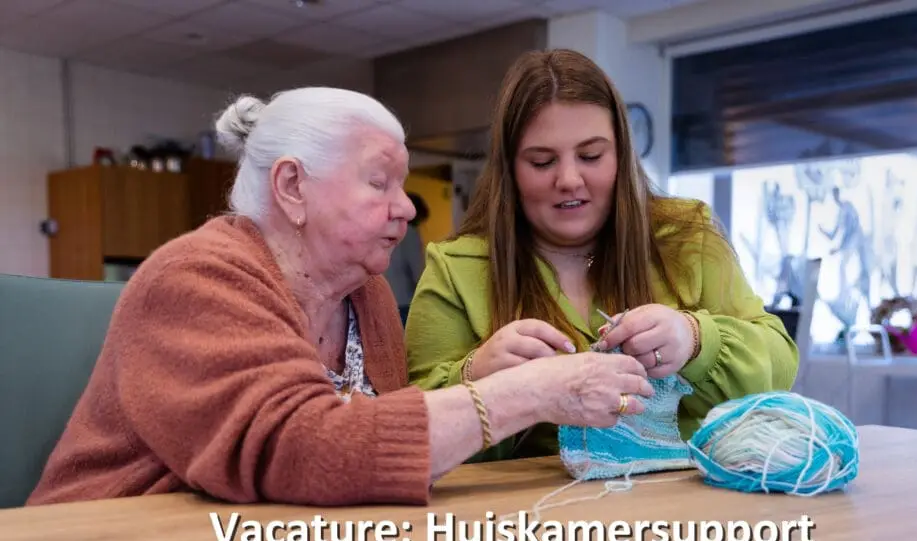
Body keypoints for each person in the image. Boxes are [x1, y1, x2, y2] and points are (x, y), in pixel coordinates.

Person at [26, 87, 657, 508]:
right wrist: (532, 393)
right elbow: (304, 450)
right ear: (292, 186)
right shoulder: (194, 279)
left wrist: (475, 379)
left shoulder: (365, 292)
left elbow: (373, 452)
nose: (406, 208)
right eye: (380, 182)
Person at [404, 49, 799, 463]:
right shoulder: (457, 270)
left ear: (622, 155)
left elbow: (779, 367)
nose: (569, 179)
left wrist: (696, 339)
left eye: (591, 156)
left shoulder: (685, 237)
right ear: (510, 170)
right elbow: (412, 436)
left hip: (686, 499)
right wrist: (477, 376)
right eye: (542, 162)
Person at [384, 191, 427, 324]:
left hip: (384, 300)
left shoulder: (386, 229)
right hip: (404, 302)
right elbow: (418, 272)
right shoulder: (410, 234)